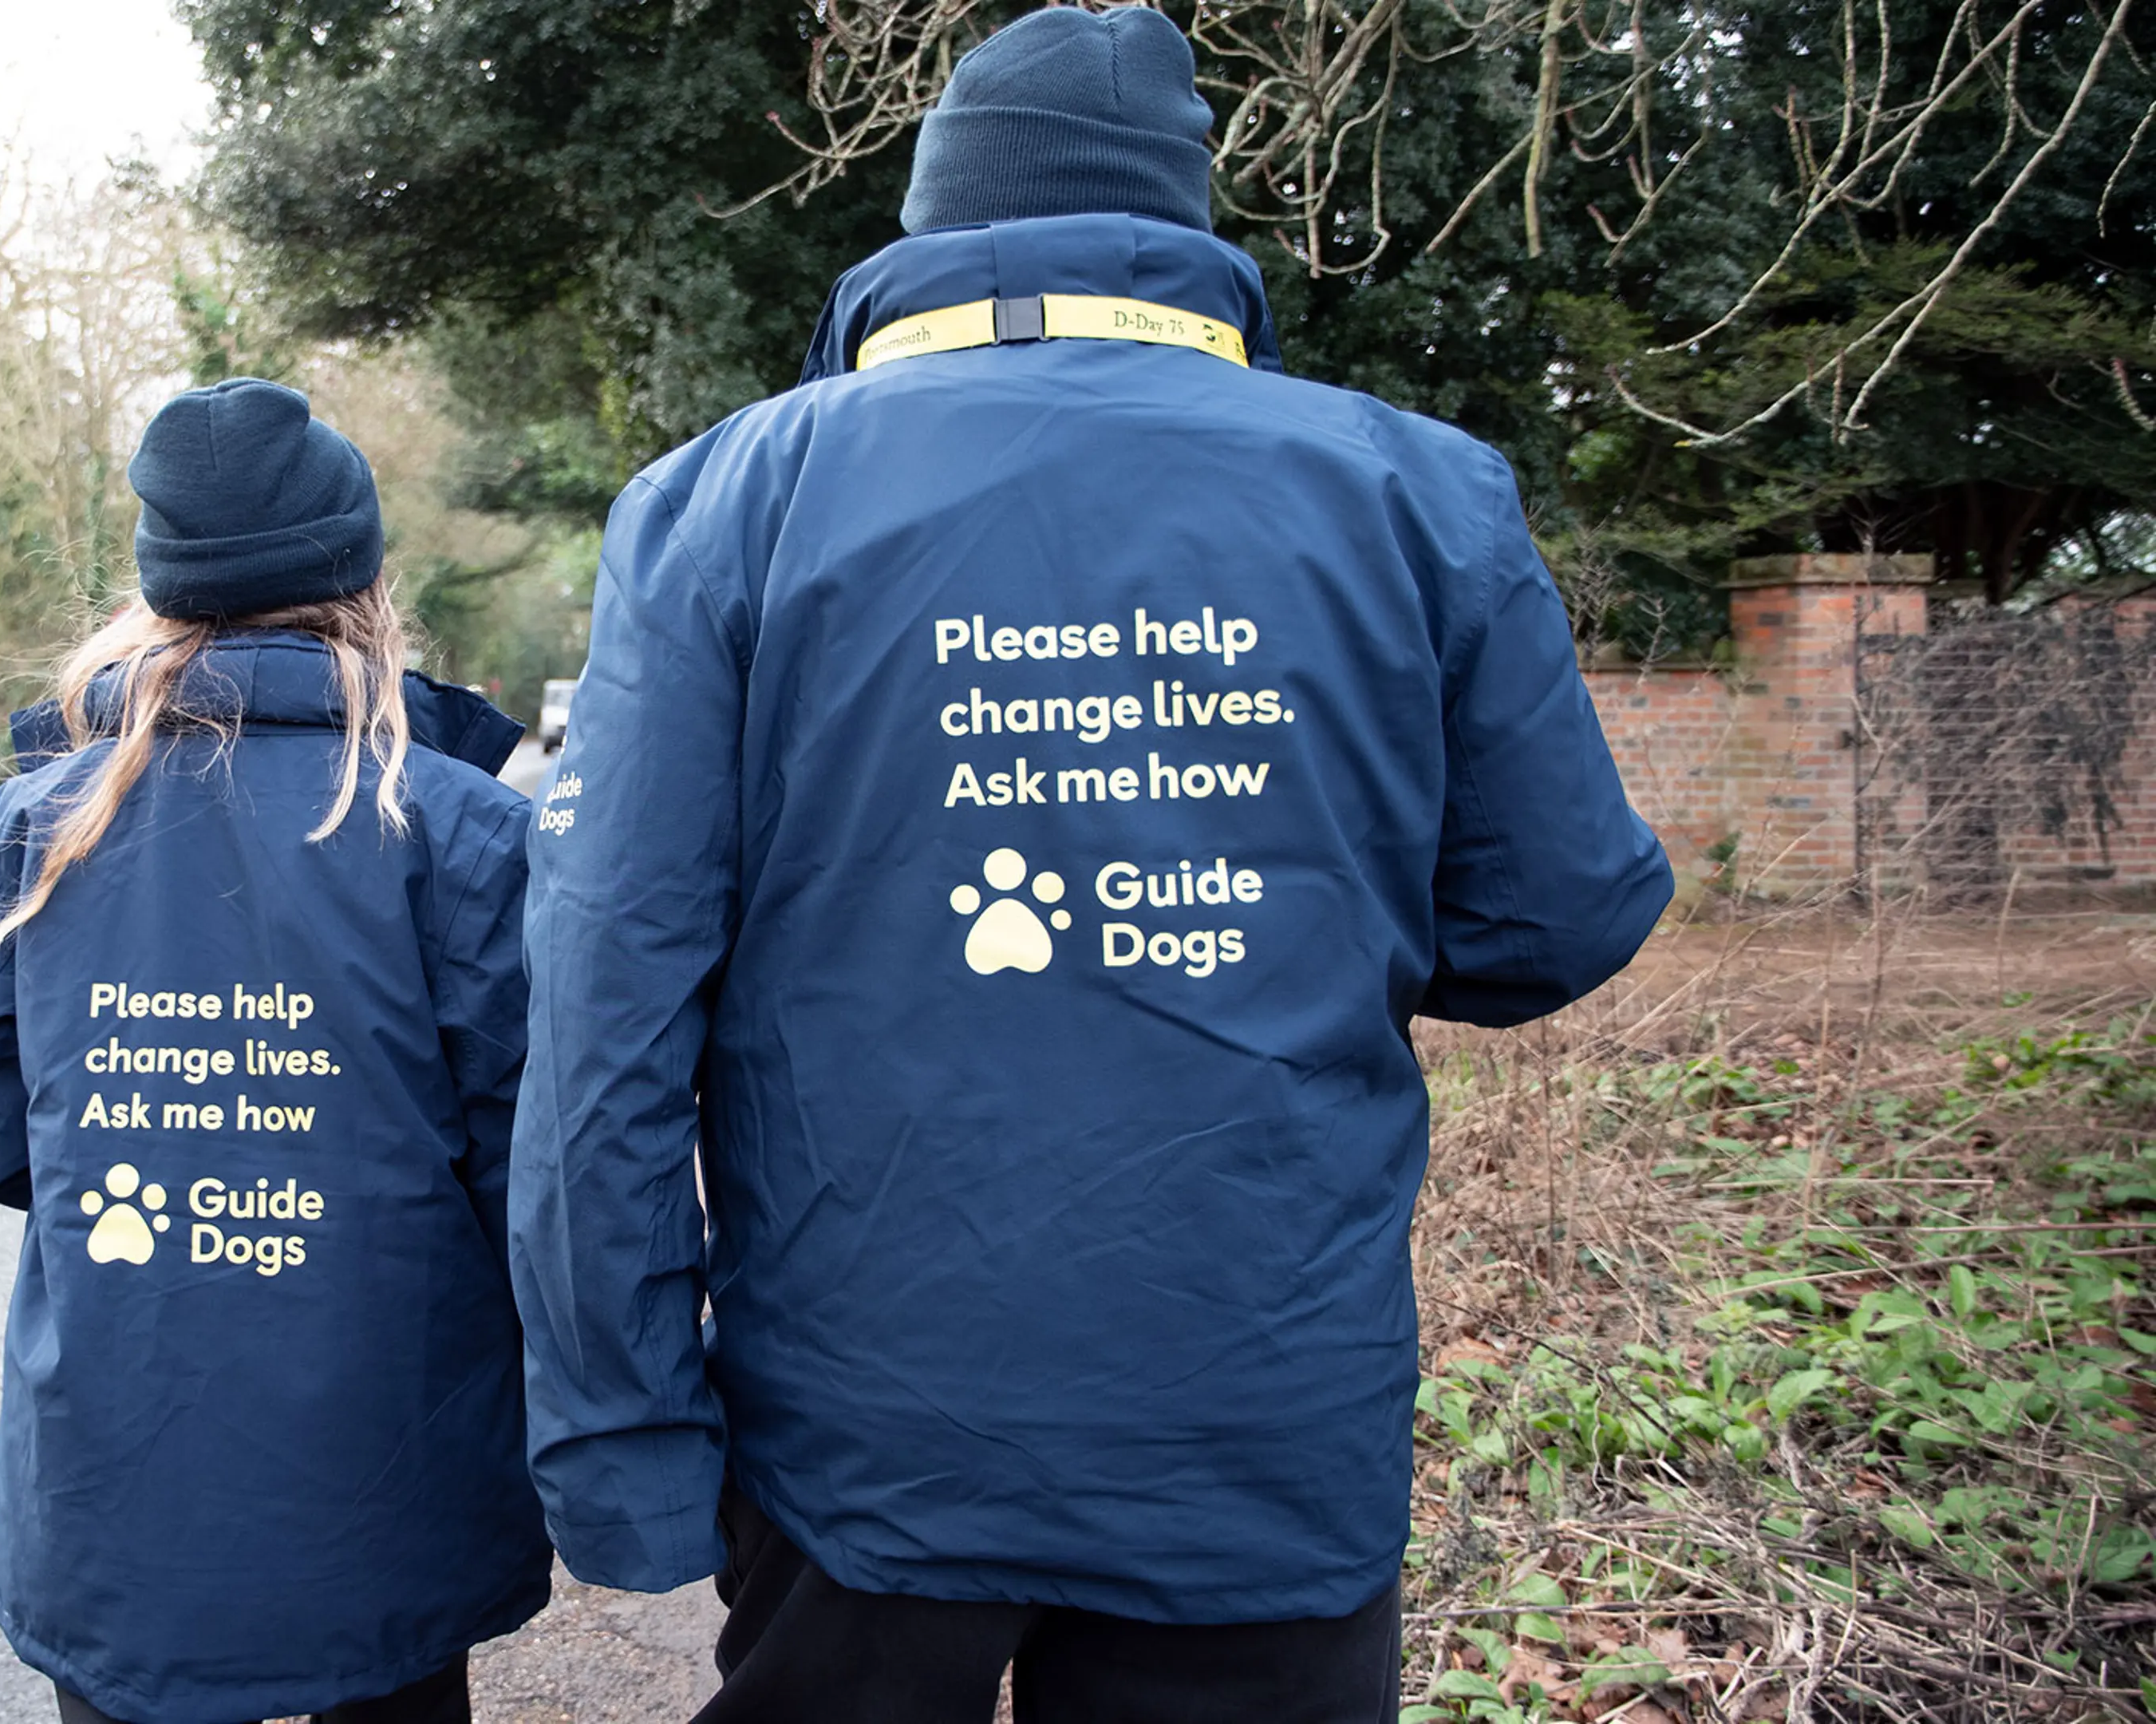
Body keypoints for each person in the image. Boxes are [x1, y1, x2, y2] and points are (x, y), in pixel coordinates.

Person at [507, 8, 1675, 1721]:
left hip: (863, 1424)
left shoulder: (731, 502)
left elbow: (603, 1012)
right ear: (1187, 222)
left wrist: (622, 1432)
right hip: (1258, 1404)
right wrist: (1281, 908)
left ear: (932, 220)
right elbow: (1552, 920)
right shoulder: (1415, 493)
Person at [0, 379, 549, 1724]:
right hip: (386, 1467)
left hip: (118, 1478)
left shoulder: (43, 823)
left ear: (161, 591)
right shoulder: (455, 828)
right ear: (361, 582)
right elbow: (532, 1172)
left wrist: (171, 1170)